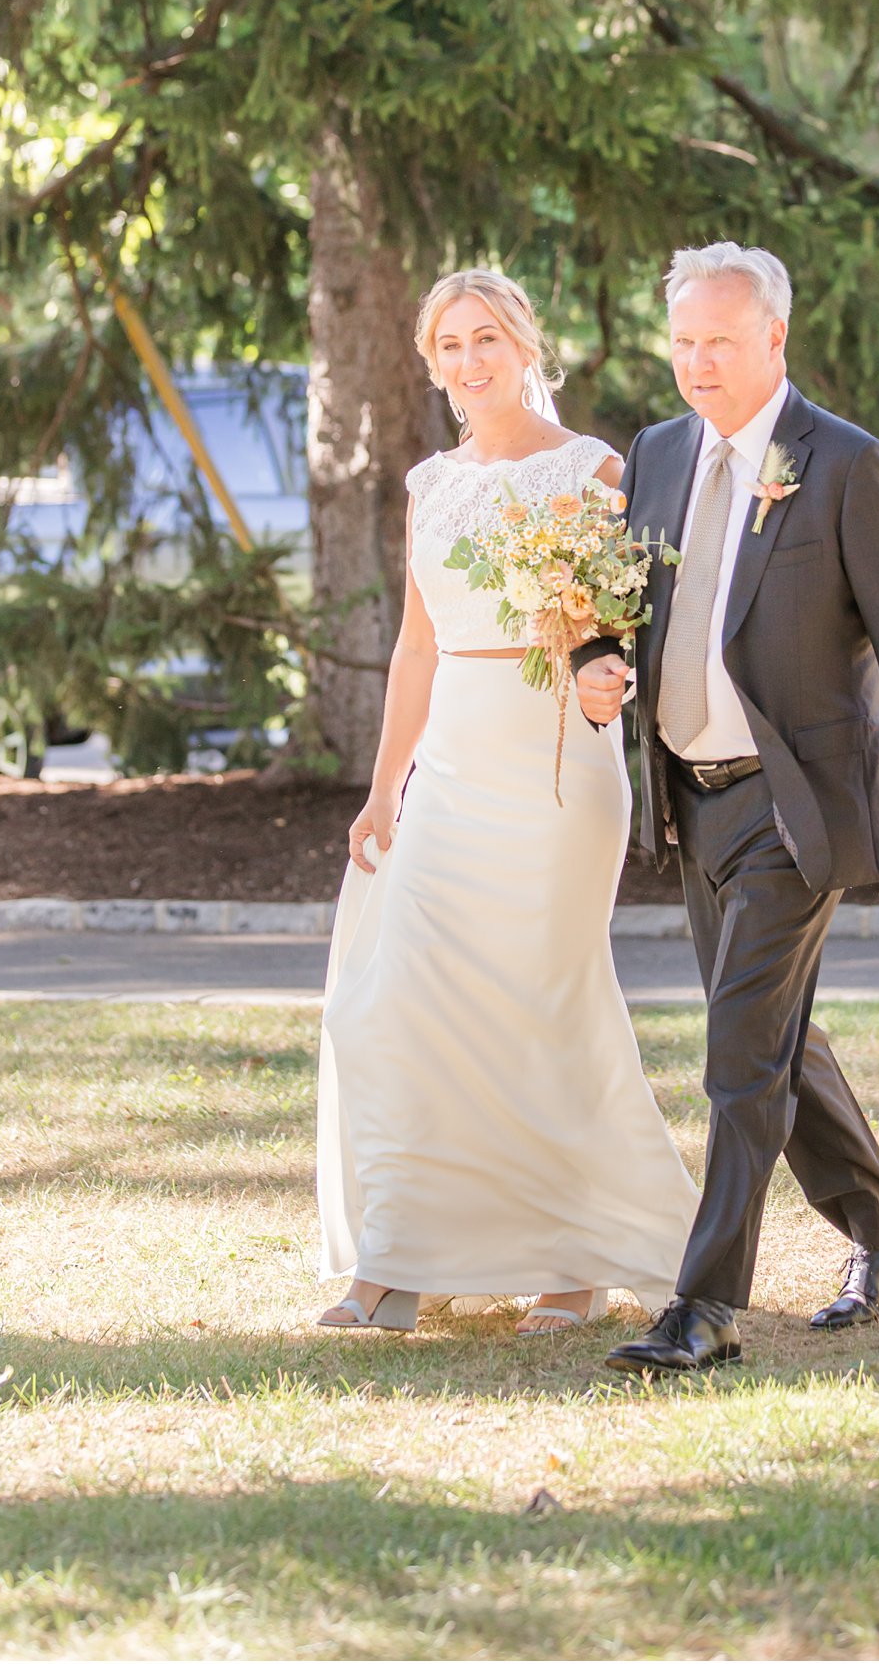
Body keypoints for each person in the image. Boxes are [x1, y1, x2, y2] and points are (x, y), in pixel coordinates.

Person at [574, 242, 879, 1374]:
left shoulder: (843, 464)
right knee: (776, 1045)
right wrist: (603, 657)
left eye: (719, 341)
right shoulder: (653, 455)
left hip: (797, 802)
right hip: (688, 798)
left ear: (773, 340)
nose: (697, 362)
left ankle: (702, 1307)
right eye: (683, 341)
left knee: (738, 1052)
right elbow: (619, 603)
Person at [316, 267, 698, 1335]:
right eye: (450, 345)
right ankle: (396, 1256)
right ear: (431, 365)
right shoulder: (427, 484)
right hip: (451, 765)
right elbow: (416, 644)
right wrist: (384, 785)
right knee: (391, 1005)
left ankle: (571, 1262)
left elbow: (620, 623)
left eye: (487, 337)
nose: (470, 360)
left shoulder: (592, 469)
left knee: (542, 1007)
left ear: (524, 345)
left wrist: (599, 671)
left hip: (556, 766)